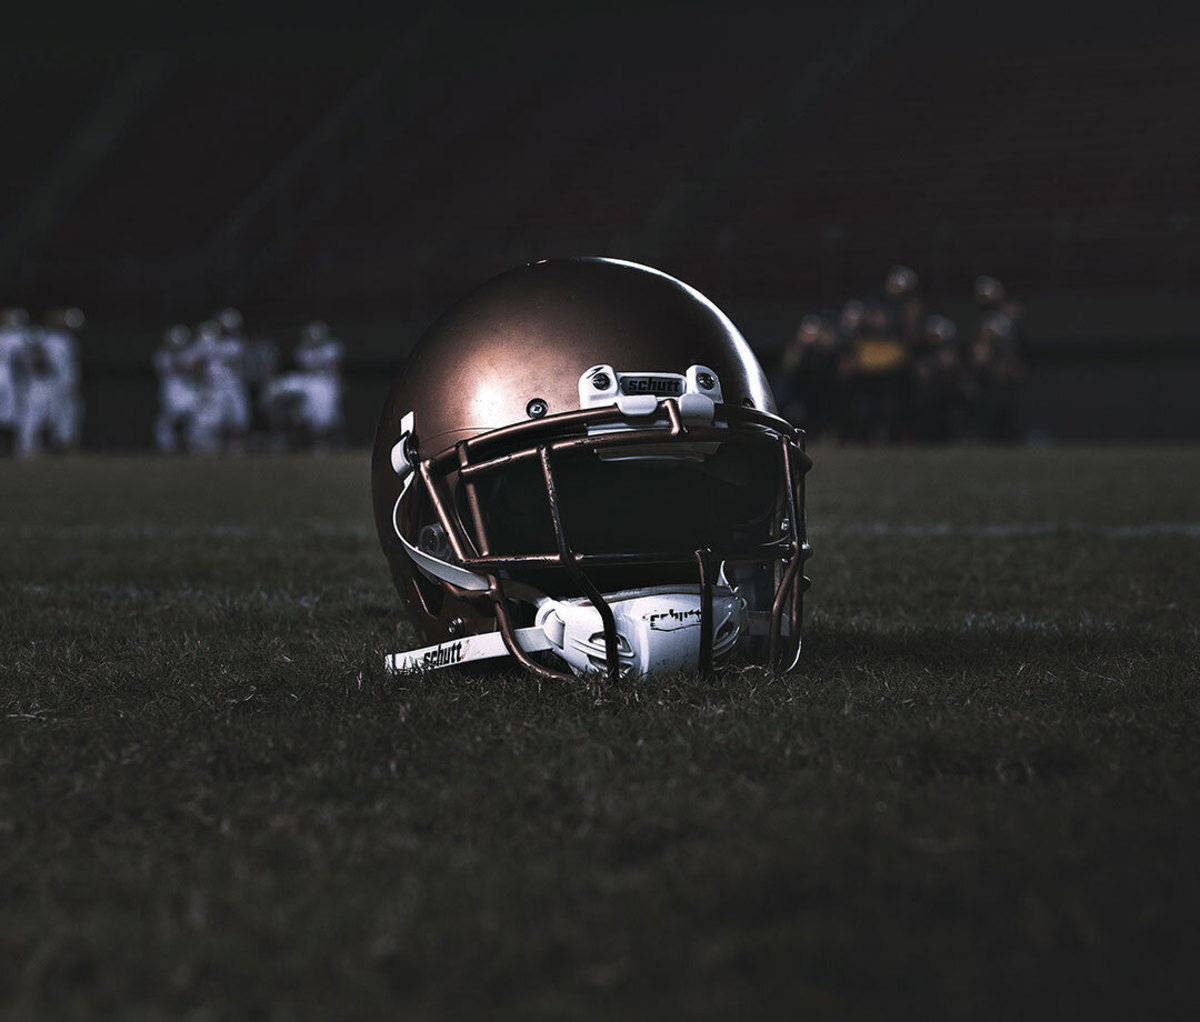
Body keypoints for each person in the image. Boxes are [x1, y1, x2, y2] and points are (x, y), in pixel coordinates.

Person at [17, 307, 84, 457]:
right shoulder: (41, 337)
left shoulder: (67, 340)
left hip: (62, 382)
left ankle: (63, 446)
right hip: (42, 382)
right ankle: (27, 447)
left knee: (64, 415)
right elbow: (34, 360)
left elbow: (71, 366)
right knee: (35, 413)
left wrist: (73, 382)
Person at [186, 318, 249, 455]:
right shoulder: (209, 342)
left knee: (239, 417)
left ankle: (237, 448)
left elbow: (236, 363)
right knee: (216, 420)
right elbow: (197, 362)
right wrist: (200, 378)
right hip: (215, 386)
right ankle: (218, 447)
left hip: (233, 385)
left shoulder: (236, 343)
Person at [152, 324, 199, 453]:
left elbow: (196, 369)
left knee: (192, 421)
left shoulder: (190, 353)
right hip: (171, 391)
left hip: (189, 390)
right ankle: (166, 447)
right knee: (166, 422)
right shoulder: (162, 355)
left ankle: (191, 446)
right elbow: (172, 368)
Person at [0, 307, 30, 456]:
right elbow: (20, 361)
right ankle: (7, 449)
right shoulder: (16, 337)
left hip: (6, 376)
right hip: (7, 378)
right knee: (8, 413)